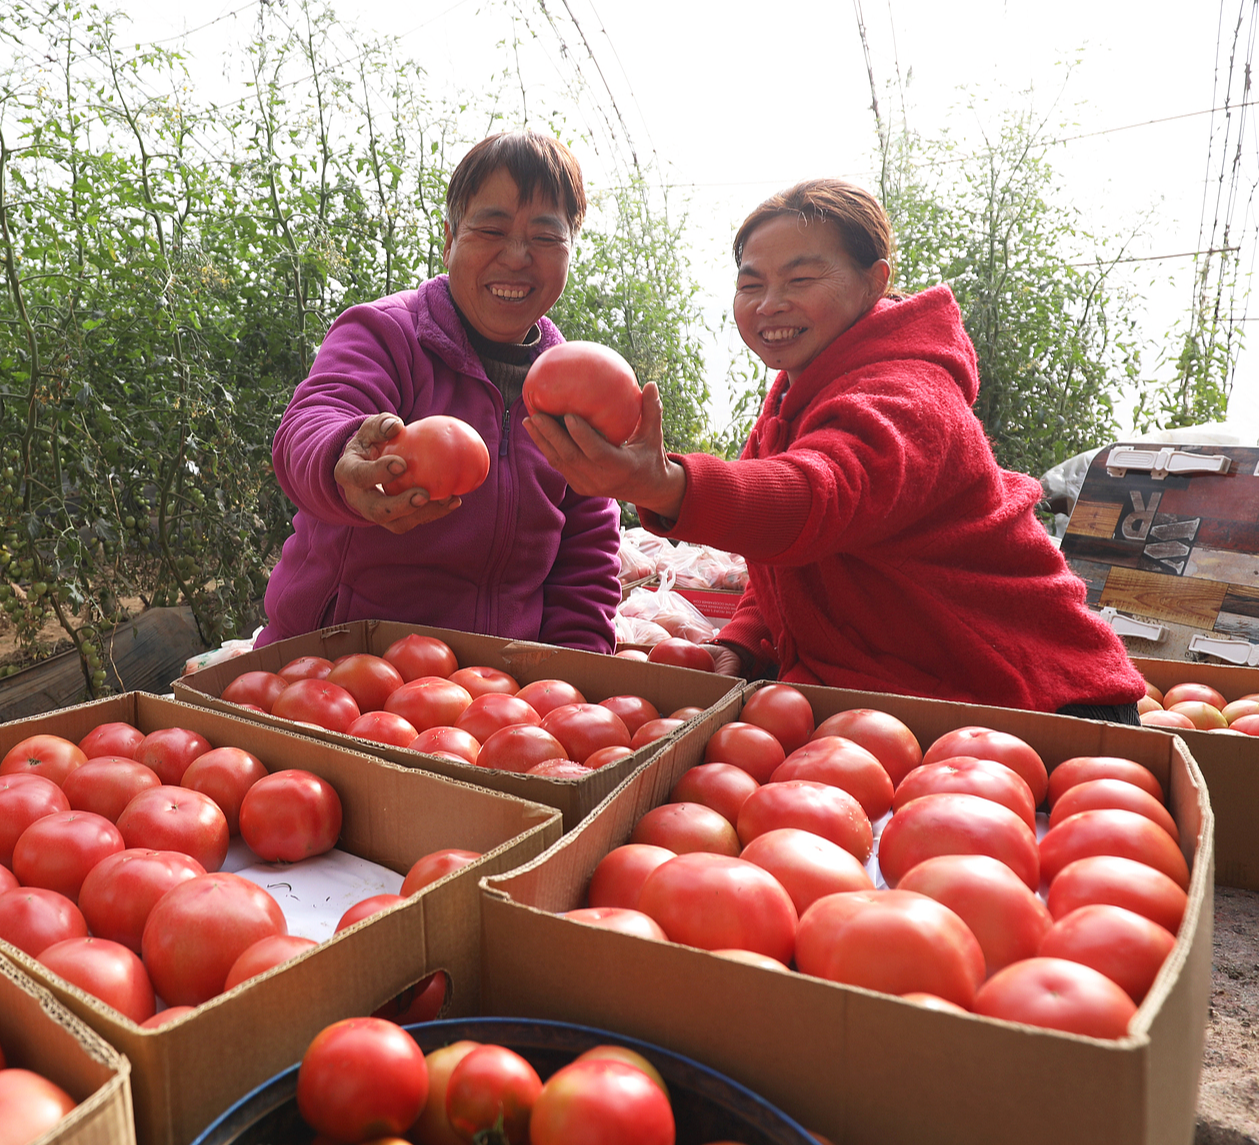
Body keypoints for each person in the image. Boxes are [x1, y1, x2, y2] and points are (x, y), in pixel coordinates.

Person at [527, 178, 1146, 719]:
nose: (770, 304)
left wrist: (663, 485)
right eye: (751, 283)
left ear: (875, 281)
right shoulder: (793, 401)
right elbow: (789, 558)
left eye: (800, 279)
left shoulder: (912, 395)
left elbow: (817, 496)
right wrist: (744, 641)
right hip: (922, 705)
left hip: (1037, 702)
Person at [255, 130, 621, 652]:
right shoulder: (385, 333)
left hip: (487, 687)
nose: (517, 256)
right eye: (491, 230)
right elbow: (314, 418)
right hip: (336, 666)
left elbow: (586, 561)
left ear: (570, 251)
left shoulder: (577, 390)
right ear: (449, 240)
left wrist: (574, 673)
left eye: (545, 237)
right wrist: (342, 459)